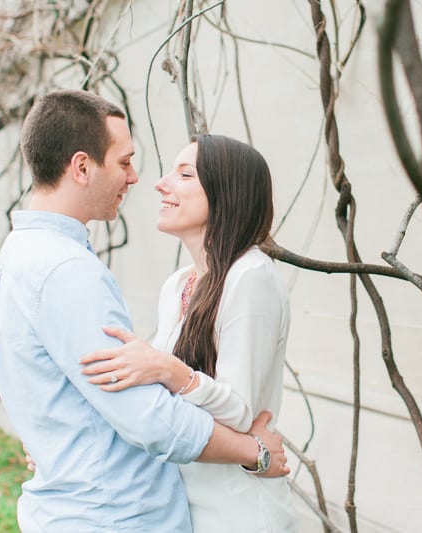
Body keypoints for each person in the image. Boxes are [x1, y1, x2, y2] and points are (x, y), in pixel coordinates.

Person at [0, 90, 288, 533]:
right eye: (124, 162)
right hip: (114, 514)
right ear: (82, 167)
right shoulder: (71, 270)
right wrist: (254, 452)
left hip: (222, 507)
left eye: (183, 174)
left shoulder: (22, 254)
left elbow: (134, 391)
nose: (141, 179)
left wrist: (62, 438)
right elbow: (146, 415)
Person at [77, 134, 298, 532]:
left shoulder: (251, 277)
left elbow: (241, 411)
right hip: (185, 503)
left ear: (225, 192)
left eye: (184, 174)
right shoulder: (179, 284)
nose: (161, 184)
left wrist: (168, 369)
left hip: (240, 510)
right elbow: (155, 401)